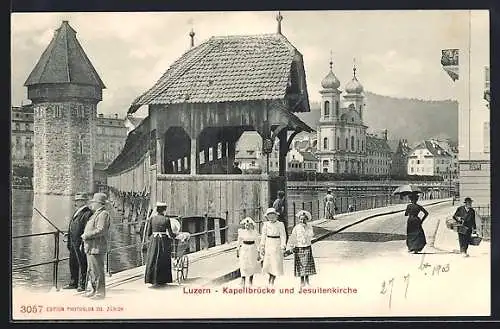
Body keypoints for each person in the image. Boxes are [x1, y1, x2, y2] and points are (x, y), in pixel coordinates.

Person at [81, 193, 111, 300]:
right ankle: (94, 290)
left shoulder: (103, 214)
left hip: (97, 247)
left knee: (98, 271)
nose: (92, 204)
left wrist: (86, 235)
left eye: (94, 202)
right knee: (92, 271)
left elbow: (101, 230)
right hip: (91, 247)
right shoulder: (96, 213)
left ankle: (100, 293)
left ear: (99, 203)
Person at [63, 193, 93, 291]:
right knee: (73, 262)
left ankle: (82, 284)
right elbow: (73, 225)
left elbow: (86, 229)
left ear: (84, 201)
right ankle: (73, 282)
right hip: (72, 242)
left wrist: (83, 243)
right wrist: (68, 234)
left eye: (78, 200)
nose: (76, 202)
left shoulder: (88, 213)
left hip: (80, 243)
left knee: (82, 263)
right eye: (76, 200)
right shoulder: (77, 211)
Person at [144, 202, 178, 287]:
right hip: (163, 240)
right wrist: (176, 235)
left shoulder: (152, 219)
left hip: (154, 240)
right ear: (164, 210)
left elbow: (149, 233)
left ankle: (151, 279)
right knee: (163, 258)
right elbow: (170, 233)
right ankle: (162, 279)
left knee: (153, 258)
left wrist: (152, 238)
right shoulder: (166, 219)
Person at [286, 210, 317, 288]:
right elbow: (293, 237)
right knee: (300, 266)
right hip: (299, 248)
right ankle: (302, 282)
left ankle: (307, 281)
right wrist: (291, 247)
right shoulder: (296, 228)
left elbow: (311, 235)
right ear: (298, 219)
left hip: (306, 247)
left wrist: (305, 229)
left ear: (306, 219)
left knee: (307, 265)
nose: (302, 221)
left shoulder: (309, 227)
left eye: (304, 219)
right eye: (301, 219)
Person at [260, 208, 286, 286]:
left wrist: (283, 246)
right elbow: (263, 236)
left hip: (277, 244)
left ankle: (272, 280)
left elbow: (283, 235)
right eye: (269, 215)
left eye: (272, 215)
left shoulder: (280, 224)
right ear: (267, 217)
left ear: (276, 216)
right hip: (268, 243)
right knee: (268, 264)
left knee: (275, 263)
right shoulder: (266, 224)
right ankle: (270, 277)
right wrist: (262, 246)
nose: (271, 217)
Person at [237, 217, 260, 287]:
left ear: (251, 225)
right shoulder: (241, 232)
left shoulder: (254, 232)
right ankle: (243, 280)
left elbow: (257, 243)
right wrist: (237, 250)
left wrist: (258, 252)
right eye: (246, 225)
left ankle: (250, 280)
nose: (247, 226)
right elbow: (239, 242)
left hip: (252, 249)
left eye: (249, 224)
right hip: (244, 248)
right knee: (243, 264)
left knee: (252, 264)